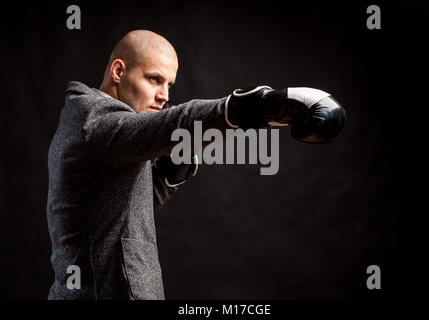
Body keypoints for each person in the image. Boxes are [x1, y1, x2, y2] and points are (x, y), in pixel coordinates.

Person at [46, 30, 346, 300]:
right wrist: (254, 107)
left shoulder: (104, 135)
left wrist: (168, 174)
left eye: (169, 84)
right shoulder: (94, 122)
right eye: (154, 79)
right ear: (118, 71)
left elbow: (122, 215)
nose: (164, 95)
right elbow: (172, 123)